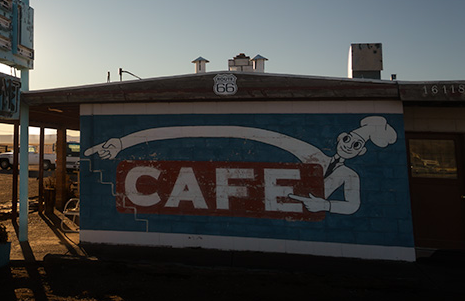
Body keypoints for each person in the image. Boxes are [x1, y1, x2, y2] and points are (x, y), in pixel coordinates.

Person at [85, 116, 397, 215]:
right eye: (347, 137)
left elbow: (353, 206)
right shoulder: (310, 153)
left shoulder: (349, 175)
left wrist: (324, 206)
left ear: (360, 152)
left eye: (356, 144)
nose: (348, 144)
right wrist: (123, 143)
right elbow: (228, 132)